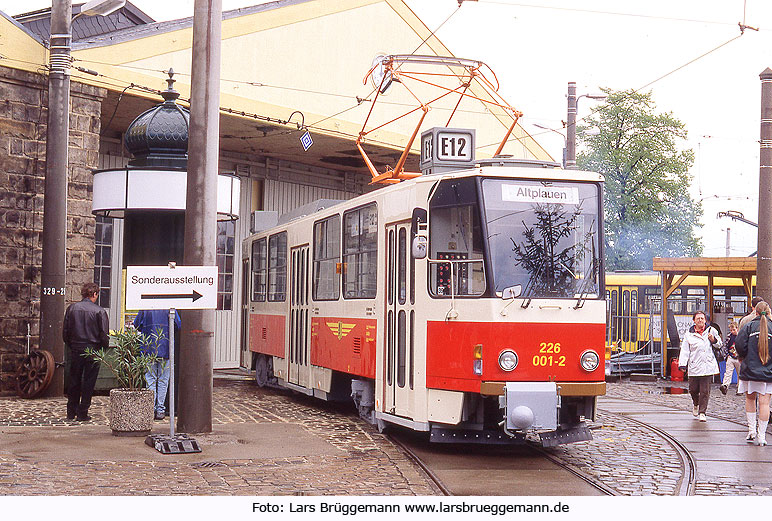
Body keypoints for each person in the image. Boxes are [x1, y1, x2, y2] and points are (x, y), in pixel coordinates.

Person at [62, 282, 109, 421]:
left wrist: (72, 345)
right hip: (93, 349)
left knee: (74, 380)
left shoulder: (72, 309)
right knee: (89, 382)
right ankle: (83, 411)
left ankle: (71, 411)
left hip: (76, 348)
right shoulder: (100, 311)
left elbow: (65, 332)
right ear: (95, 294)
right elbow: (104, 334)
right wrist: (102, 348)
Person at [735, 301, 772, 446]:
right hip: (768, 371)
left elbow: (739, 344)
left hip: (750, 369)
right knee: (765, 404)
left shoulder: (748, 327)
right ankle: (762, 436)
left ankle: (751, 431)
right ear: (768, 313)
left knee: (750, 400)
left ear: (755, 312)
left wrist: (744, 357)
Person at [133, 309, 180, 420]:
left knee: (150, 379)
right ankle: (160, 409)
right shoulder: (169, 306)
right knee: (163, 380)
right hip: (166, 347)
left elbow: (136, 324)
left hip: (148, 348)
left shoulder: (146, 306)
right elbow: (178, 325)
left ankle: (151, 408)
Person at [678, 310, 722, 422]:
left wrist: (713, 340)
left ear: (705, 320)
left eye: (702, 318)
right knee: (693, 389)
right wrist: (682, 364)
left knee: (705, 391)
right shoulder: (689, 334)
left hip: (707, 365)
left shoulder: (712, 331)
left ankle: (702, 412)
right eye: (698, 318)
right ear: (694, 321)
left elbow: (720, 344)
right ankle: (696, 404)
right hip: (694, 365)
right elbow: (685, 351)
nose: (700, 320)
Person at [720, 321, 741, 395]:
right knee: (728, 372)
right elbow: (725, 346)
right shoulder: (729, 337)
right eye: (731, 330)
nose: (732, 332)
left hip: (739, 358)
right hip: (731, 357)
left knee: (740, 374)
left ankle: (739, 388)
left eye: (734, 330)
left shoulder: (741, 336)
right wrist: (726, 356)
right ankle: (725, 385)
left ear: (737, 329)